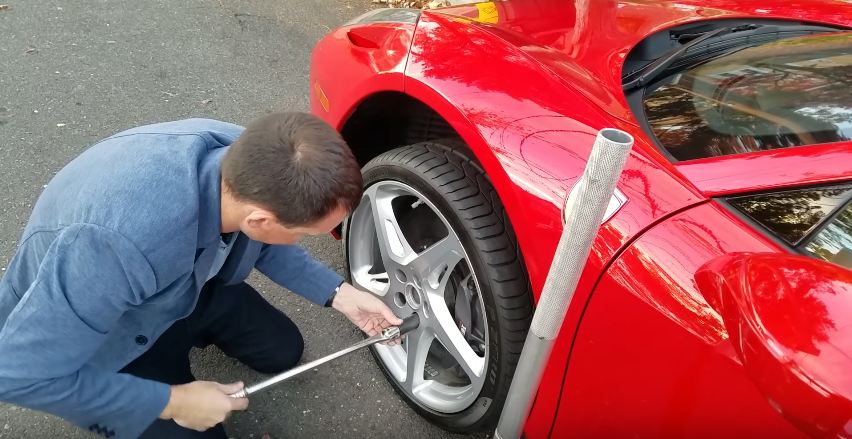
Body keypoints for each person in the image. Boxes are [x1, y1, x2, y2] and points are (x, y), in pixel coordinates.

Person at [0, 112, 402, 439]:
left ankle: (190, 329)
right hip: (112, 330)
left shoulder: (247, 159)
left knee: (282, 350)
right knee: (202, 428)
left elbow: (263, 239)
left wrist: (341, 294)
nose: (300, 240)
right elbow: (18, 375)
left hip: (182, 284)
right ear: (260, 219)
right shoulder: (115, 246)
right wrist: (174, 401)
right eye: (302, 233)